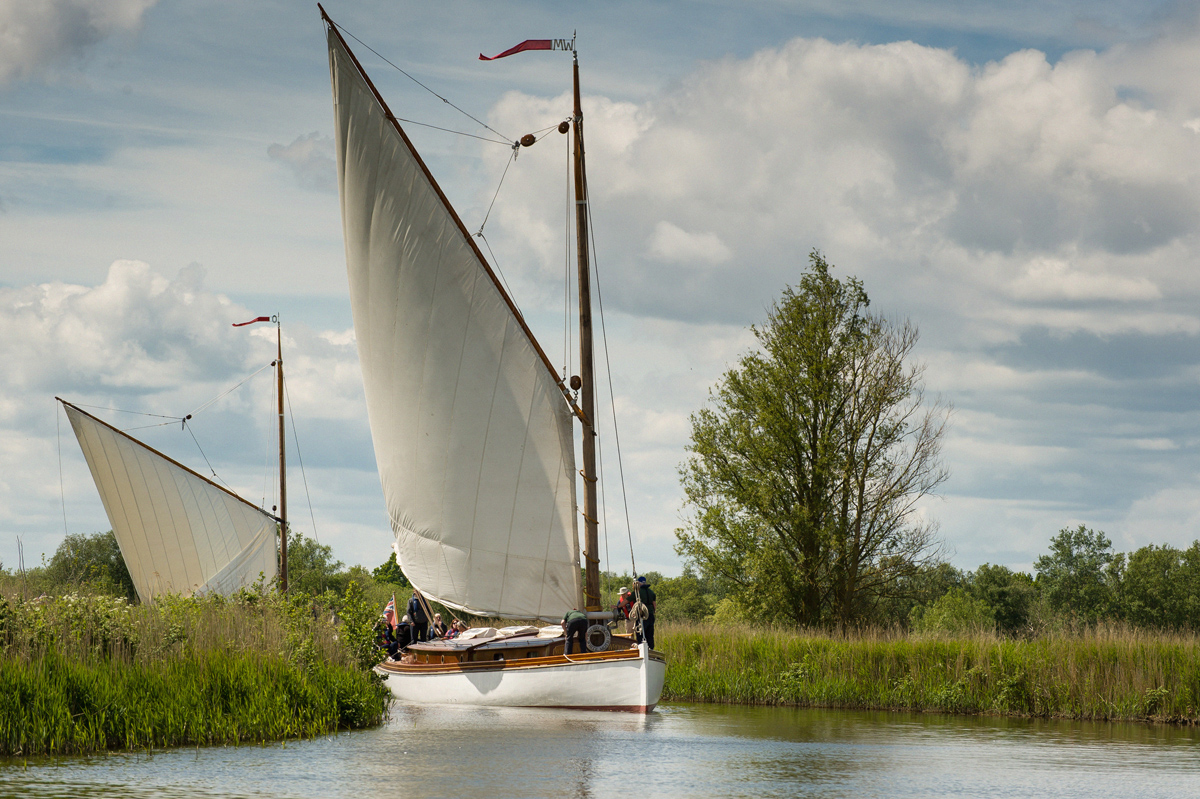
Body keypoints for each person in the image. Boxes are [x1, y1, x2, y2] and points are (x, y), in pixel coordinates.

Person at [632, 575, 657, 649]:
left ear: (639, 583)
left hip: (642, 615)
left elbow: (628, 600)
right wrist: (653, 612)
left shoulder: (637, 592)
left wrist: (618, 606)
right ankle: (651, 649)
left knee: (640, 633)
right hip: (650, 615)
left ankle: (641, 648)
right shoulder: (651, 592)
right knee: (650, 634)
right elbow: (654, 604)